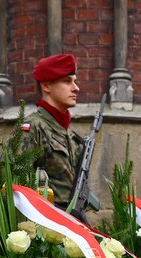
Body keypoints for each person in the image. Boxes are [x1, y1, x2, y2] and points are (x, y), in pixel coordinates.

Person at [21, 53, 88, 221]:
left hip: (72, 225)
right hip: (45, 225)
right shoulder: (33, 127)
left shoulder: (72, 137)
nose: (76, 88)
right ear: (46, 86)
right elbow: (15, 186)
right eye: (67, 81)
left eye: (75, 81)